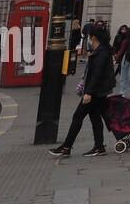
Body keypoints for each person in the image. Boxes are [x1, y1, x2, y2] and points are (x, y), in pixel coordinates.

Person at [49, 28, 114, 158]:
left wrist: (88, 93)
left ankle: (66, 147)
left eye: (90, 37)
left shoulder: (101, 53)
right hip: (98, 91)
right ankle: (99, 146)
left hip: (95, 92)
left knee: (77, 116)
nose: (88, 40)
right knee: (95, 118)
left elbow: (97, 74)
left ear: (94, 38)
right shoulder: (101, 51)